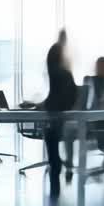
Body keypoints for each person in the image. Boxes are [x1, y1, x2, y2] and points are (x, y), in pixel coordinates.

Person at [39, 40, 78, 197]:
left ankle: (56, 165)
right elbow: (56, 97)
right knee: (50, 131)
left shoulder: (59, 73)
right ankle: (56, 164)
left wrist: (43, 105)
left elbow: (58, 99)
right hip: (60, 113)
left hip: (61, 115)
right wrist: (42, 104)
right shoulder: (63, 73)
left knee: (50, 132)